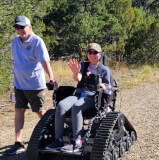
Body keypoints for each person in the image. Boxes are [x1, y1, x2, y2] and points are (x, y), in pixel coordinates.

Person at [4, 16, 58, 155]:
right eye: (17, 27)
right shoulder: (15, 41)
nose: (20, 30)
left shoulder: (37, 42)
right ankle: (18, 142)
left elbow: (44, 61)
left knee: (39, 111)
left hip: (34, 85)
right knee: (19, 110)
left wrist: (51, 78)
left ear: (30, 27)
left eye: (22, 27)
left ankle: (56, 130)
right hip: (19, 84)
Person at [45, 43, 112, 153]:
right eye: (90, 52)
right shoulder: (83, 65)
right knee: (61, 105)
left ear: (100, 54)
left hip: (93, 97)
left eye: (95, 52)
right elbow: (78, 78)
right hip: (79, 94)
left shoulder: (104, 70)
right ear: (87, 54)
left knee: (77, 107)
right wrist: (76, 73)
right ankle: (59, 140)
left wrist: (102, 87)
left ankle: (77, 141)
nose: (92, 55)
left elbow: (108, 88)